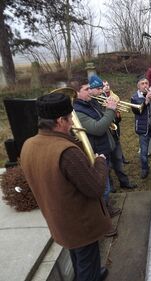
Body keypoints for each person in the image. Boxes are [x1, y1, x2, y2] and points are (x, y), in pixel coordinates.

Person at [20, 93, 111, 281]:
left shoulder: (28, 144)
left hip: (60, 221)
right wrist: (100, 162)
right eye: (69, 119)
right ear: (60, 120)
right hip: (81, 225)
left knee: (77, 257)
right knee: (87, 263)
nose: (72, 123)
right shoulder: (67, 152)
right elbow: (95, 188)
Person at [73, 75, 121, 223]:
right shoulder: (78, 111)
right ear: (76, 93)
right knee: (103, 187)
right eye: (87, 89)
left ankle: (106, 208)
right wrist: (110, 110)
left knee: (106, 181)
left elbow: (103, 120)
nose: (91, 91)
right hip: (96, 153)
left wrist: (109, 113)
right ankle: (104, 221)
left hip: (104, 149)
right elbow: (98, 128)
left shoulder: (90, 103)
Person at [102, 80, 136, 189]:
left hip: (114, 134)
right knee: (106, 165)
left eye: (107, 85)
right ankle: (110, 185)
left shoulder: (113, 97)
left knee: (118, 161)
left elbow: (117, 120)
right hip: (104, 138)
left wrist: (116, 114)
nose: (105, 88)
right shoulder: (98, 102)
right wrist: (108, 109)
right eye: (102, 87)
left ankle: (124, 182)